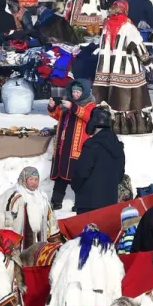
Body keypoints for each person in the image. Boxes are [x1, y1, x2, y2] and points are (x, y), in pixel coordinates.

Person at [47, 82, 95, 210]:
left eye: (78, 92)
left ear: (84, 92)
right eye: (73, 92)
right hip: (63, 146)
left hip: (78, 148)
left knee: (78, 177)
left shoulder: (90, 105)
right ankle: (56, 201)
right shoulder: (66, 104)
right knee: (60, 176)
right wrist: (52, 107)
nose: (75, 94)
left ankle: (80, 203)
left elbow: (88, 117)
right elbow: (57, 115)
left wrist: (73, 107)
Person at [70, 105, 123, 214]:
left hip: (88, 203)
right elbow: (120, 174)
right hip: (110, 202)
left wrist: (75, 186)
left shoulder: (92, 145)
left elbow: (82, 172)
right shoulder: (118, 146)